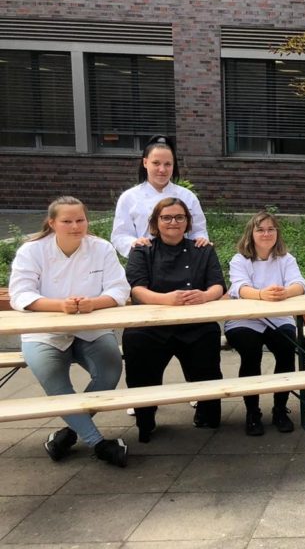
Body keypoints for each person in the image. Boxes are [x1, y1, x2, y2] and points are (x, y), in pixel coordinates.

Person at [8, 196, 131, 467]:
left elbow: (119, 289)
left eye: (80, 220)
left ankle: (69, 433)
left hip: (90, 328)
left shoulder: (101, 248)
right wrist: (59, 306)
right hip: (44, 333)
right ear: (52, 223)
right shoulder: (32, 250)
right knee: (54, 379)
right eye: (67, 221)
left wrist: (93, 303)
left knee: (110, 371)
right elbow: (20, 294)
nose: (75, 226)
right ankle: (98, 443)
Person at [123, 197, 226, 442]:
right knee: (137, 349)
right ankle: (145, 419)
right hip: (151, 326)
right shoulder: (142, 250)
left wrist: (204, 296)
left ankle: (207, 413)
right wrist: (166, 299)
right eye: (166, 217)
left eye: (179, 217)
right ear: (155, 223)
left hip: (195, 324)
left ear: (188, 223)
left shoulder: (203, 249)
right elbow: (136, 289)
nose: (173, 222)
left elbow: (218, 286)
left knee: (209, 341)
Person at [225, 211, 305, 436]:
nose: (266, 233)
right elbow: (239, 288)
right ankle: (253, 412)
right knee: (251, 352)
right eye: (260, 229)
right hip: (245, 320)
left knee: (287, 348)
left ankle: (280, 408)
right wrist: (262, 294)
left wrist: (285, 292)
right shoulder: (239, 260)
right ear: (251, 233)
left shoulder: (285, 259)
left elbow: (300, 284)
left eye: (271, 229)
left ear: (277, 233)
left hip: (278, 317)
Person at [111, 135, 209, 259]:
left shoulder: (187, 196)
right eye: (156, 163)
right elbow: (120, 235)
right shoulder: (129, 197)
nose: (162, 169)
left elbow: (198, 231)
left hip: (183, 261)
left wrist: (200, 240)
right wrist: (135, 243)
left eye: (167, 164)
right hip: (145, 260)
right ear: (145, 162)